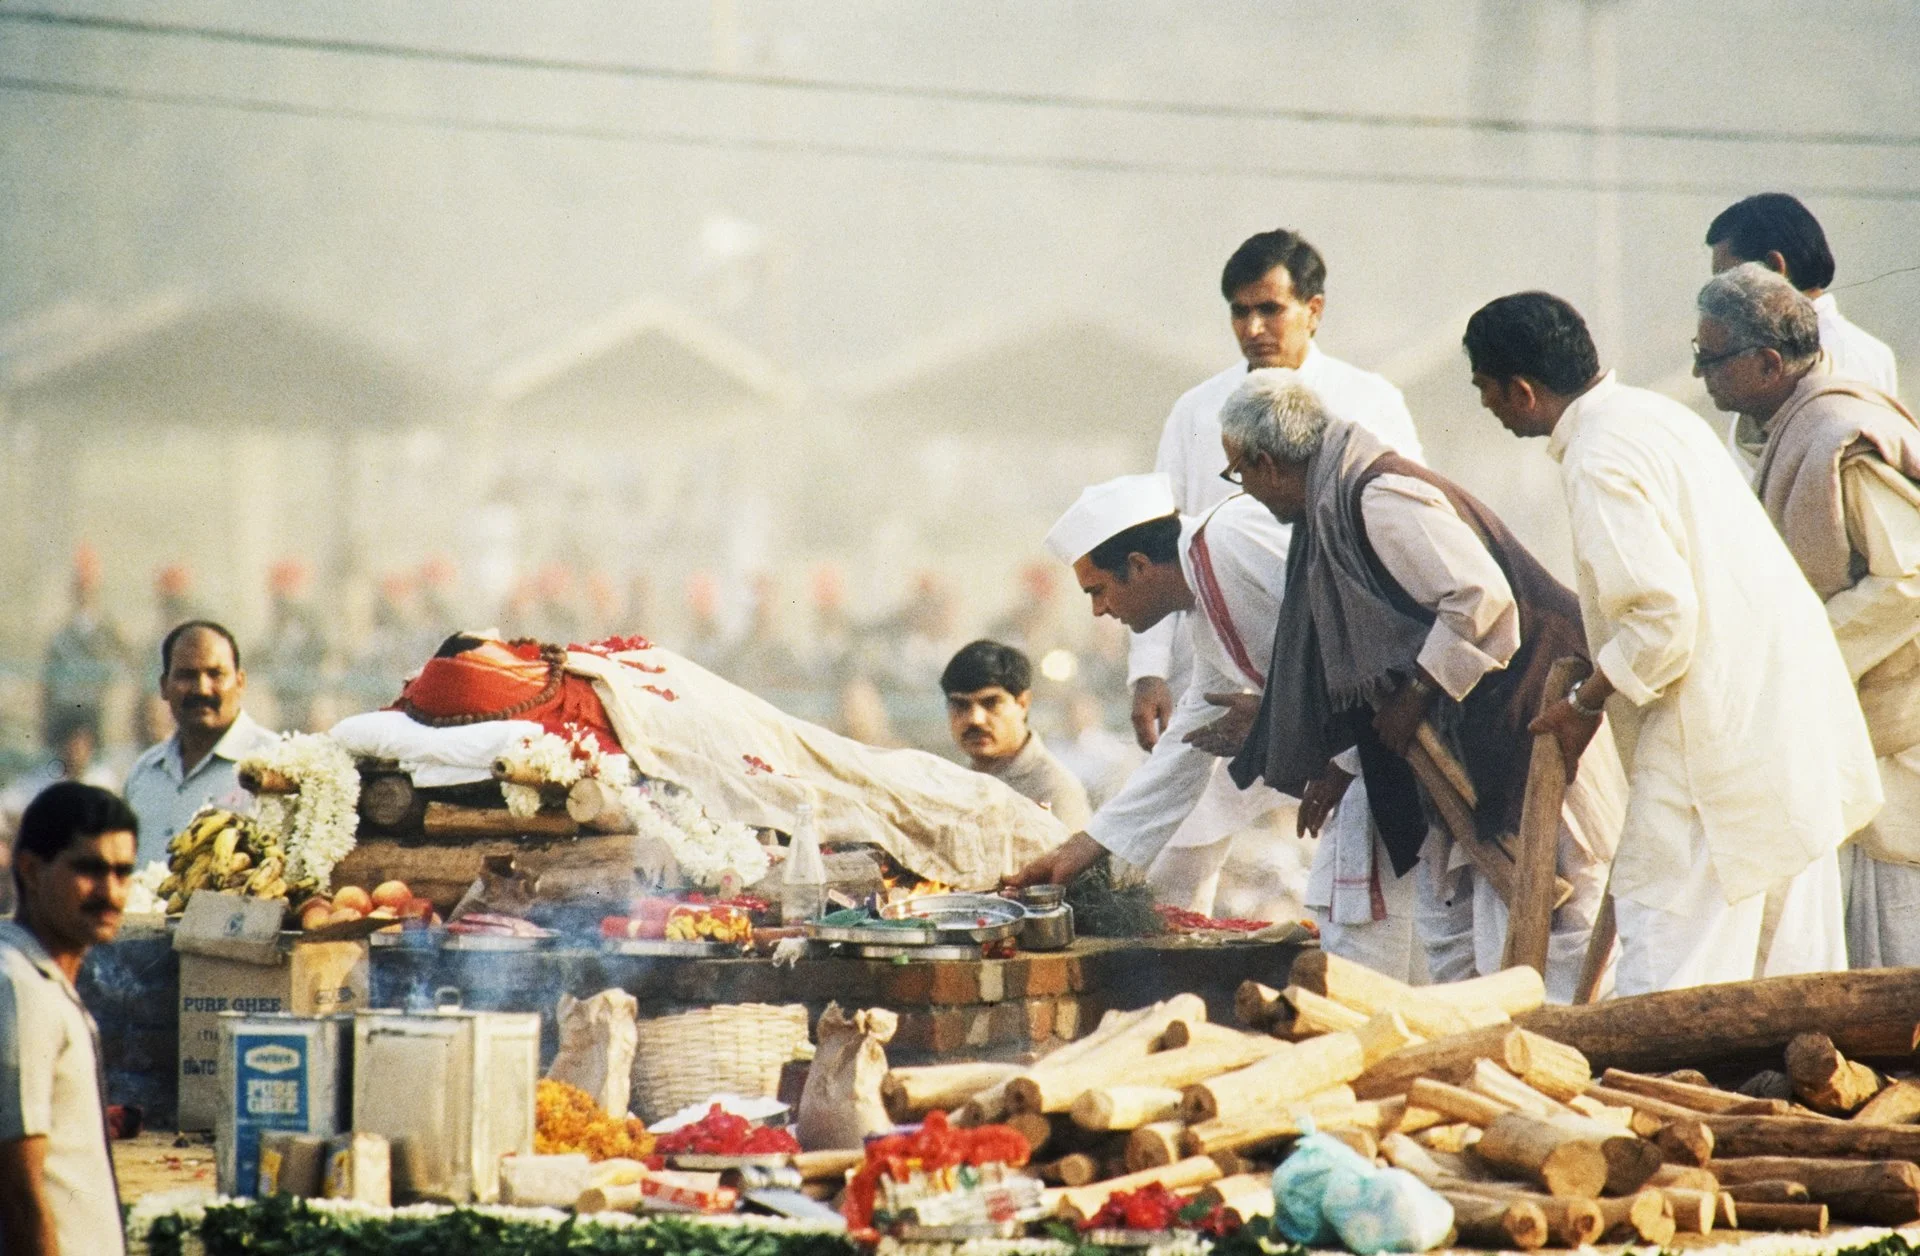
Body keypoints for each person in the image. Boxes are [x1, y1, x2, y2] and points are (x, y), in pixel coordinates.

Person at [1465, 291, 1879, 995]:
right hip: (1779, 725)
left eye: (1487, 393)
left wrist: (1584, 700)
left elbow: (1661, 621)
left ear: (1523, 390)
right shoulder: (1654, 417)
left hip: (1714, 748)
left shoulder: (1599, 456)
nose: (1490, 411)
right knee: (1789, 995)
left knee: (1665, 986)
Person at [1222, 371, 1622, 999]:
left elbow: (1480, 599)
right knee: (1459, 948)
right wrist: (1347, 759)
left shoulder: (1377, 498)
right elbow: (1369, 662)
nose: (1243, 489)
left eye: (1236, 475)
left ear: (1264, 462)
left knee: (1552, 942)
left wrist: (1416, 694)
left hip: (1532, 720)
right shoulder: (1331, 514)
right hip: (1461, 745)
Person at [1127, 229, 1427, 923]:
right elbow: (1158, 546)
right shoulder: (1197, 410)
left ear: (1314, 310)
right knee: (1180, 850)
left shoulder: (1368, 399)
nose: (1254, 328)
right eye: (1239, 312)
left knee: (1364, 852)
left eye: (1271, 309)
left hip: (1341, 664)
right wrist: (1146, 667)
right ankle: (1176, 986)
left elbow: (1407, 540)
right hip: (1224, 662)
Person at [1696, 263, 1920, 967]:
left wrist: (1803, 647)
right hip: (1855, 738)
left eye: (1711, 357)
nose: (1700, 373)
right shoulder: (1795, 430)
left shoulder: (1837, 438)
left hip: (1900, 742)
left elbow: (1909, 581)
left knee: (1896, 971)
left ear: (1766, 362)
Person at [0, 781, 139, 1256]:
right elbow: (20, 1194)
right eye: (89, 869)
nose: (111, 893)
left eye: (123, 872)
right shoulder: (18, 988)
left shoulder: (42, 980)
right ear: (32, 870)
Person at [1707, 193, 1898, 398]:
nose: (1722, 297)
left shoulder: (1834, 356)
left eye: (1729, 281)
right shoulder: (1796, 346)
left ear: (1774, 268)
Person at [123, 621, 277, 867]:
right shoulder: (144, 773)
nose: (202, 689)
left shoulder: (276, 765)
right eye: (186, 675)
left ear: (240, 682)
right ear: (164, 687)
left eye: (216, 674)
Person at [941, 640, 1092, 832]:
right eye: (961, 705)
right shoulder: (949, 782)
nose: (975, 719)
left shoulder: (1053, 789)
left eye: (991, 703)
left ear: (1022, 703)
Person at [40, 546, 127, 751]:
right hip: (66, 710)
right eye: (80, 587)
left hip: (96, 711)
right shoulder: (61, 634)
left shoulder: (109, 631)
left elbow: (123, 666)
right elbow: (48, 683)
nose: (85, 592)